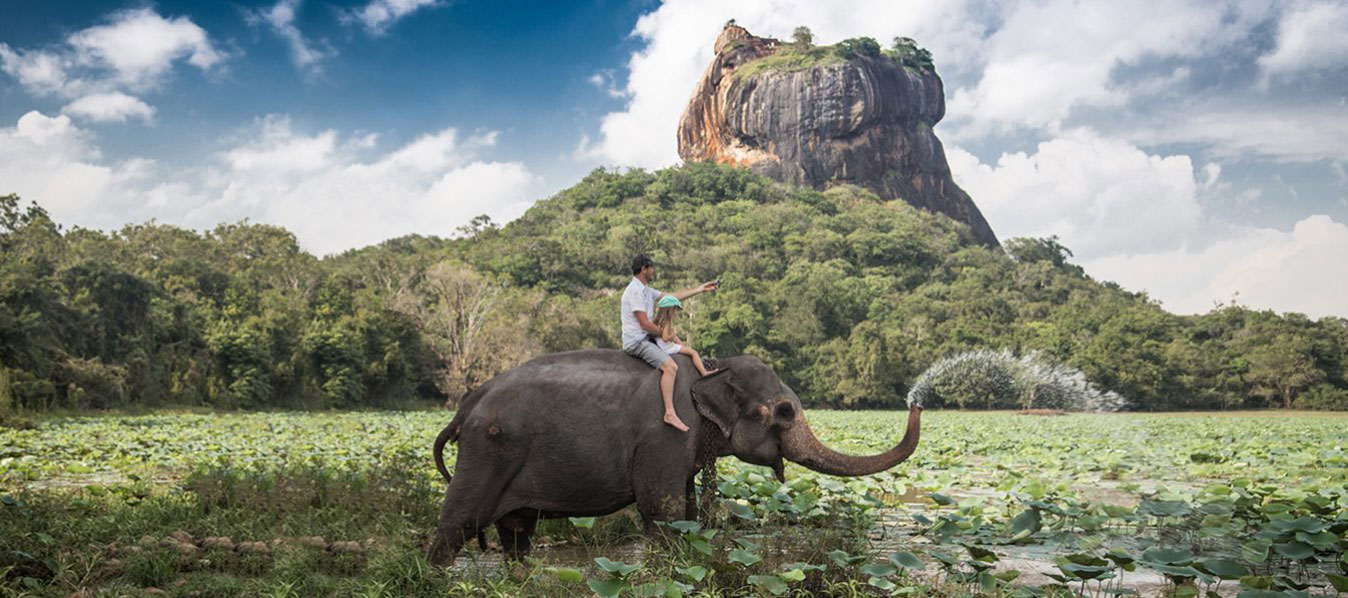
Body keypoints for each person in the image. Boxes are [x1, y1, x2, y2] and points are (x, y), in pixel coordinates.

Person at [620, 254, 717, 432]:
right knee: (670, 367)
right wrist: (666, 335)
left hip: (647, 337)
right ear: (644, 269)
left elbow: (672, 297)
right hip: (638, 341)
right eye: (652, 268)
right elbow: (644, 324)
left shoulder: (646, 291)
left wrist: (700, 289)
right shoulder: (634, 291)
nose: (654, 271)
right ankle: (669, 412)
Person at [650, 295, 718, 377]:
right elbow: (665, 338)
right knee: (693, 353)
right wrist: (673, 334)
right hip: (666, 348)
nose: (675, 313)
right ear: (670, 309)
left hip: (660, 345)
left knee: (678, 341)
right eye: (675, 310)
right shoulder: (667, 321)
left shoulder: (657, 320)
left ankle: (684, 348)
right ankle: (704, 372)